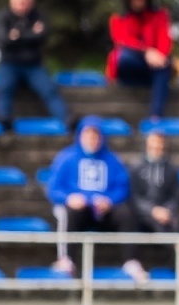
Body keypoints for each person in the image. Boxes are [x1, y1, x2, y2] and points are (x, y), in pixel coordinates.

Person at [45, 116, 133, 279]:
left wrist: (110, 200)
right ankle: (66, 260)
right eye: (88, 135)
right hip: (78, 210)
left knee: (125, 213)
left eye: (95, 135)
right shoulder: (66, 157)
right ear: (80, 136)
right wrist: (69, 198)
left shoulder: (112, 160)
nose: (92, 140)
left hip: (103, 210)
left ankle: (130, 261)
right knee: (67, 213)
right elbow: (53, 189)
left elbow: (123, 187)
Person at [0, 0, 68, 129]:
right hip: (9, 64)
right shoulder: (2, 16)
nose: (22, 2)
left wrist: (17, 35)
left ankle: (66, 119)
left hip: (34, 65)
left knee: (50, 90)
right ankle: (4, 120)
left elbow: (42, 37)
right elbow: (2, 40)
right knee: (4, 90)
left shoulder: (40, 15)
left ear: (31, 0)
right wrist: (30, 34)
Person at [117, 129, 179, 273]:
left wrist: (167, 210)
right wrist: (152, 210)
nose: (157, 148)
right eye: (153, 145)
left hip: (165, 214)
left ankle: (177, 266)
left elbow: (176, 196)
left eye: (160, 145)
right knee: (128, 217)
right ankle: (132, 262)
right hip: (141, 215)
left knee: (176, 224)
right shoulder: (135, 168)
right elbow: (133, 196)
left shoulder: (172, 170)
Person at [107, 0, 173, 120]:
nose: (138, 2)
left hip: (153, 66)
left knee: (164, 64)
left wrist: (159, 55)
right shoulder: (118, 18)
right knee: (123, 57)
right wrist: (147, 51)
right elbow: (122, 40)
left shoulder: (160, 15)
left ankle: (155, 116)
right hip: (131, 66)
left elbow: (165, 39)